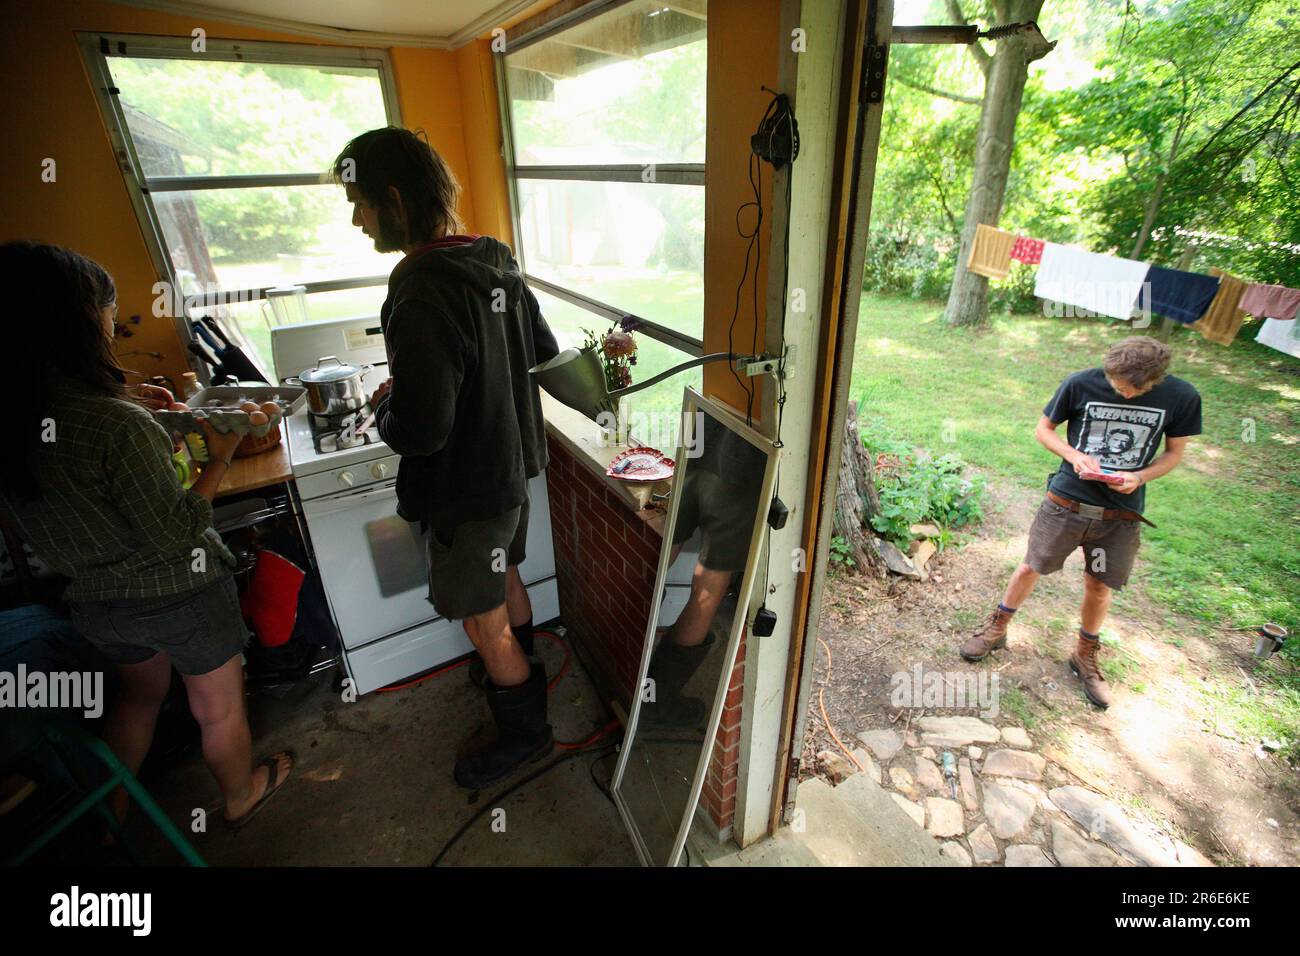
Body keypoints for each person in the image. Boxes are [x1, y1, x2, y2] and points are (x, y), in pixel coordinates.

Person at [0, 242, 293, 831]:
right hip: (180, 596)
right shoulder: (116, 424)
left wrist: (139, 414)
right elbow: (176, 531)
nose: (113, 320)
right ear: (77, 319)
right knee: (217, 708)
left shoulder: (15, 418)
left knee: (137, 701)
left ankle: (112, 811)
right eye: (107, 308)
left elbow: (76, 471)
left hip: (100, 604)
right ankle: (240, 796)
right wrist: (225, 448)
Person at [333, 127, 559, 789]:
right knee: (506, 574)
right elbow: (540, 350)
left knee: (482, 617)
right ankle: (522, 669)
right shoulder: (496, 258)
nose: (356, 219)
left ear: (394, 199)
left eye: (361, 204)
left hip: (466, 489)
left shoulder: (418, 287)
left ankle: (527, 733)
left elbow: (424, 432)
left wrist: (385, 405)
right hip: (513, 470)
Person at [958, 336, 1201, 709]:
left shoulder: (1181, 397)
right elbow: (1044, 429)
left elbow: (1174, 453)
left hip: (1118, 517)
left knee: (1099, 585)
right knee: (1031, 566)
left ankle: (1084, 653)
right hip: (1066, 503)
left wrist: (1141, 477)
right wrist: (1074, 457)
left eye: (1133, 390)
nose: (1124, 393)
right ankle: (998, 628)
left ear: (1155, 380)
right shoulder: (1080, 383)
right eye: (1117, 385)